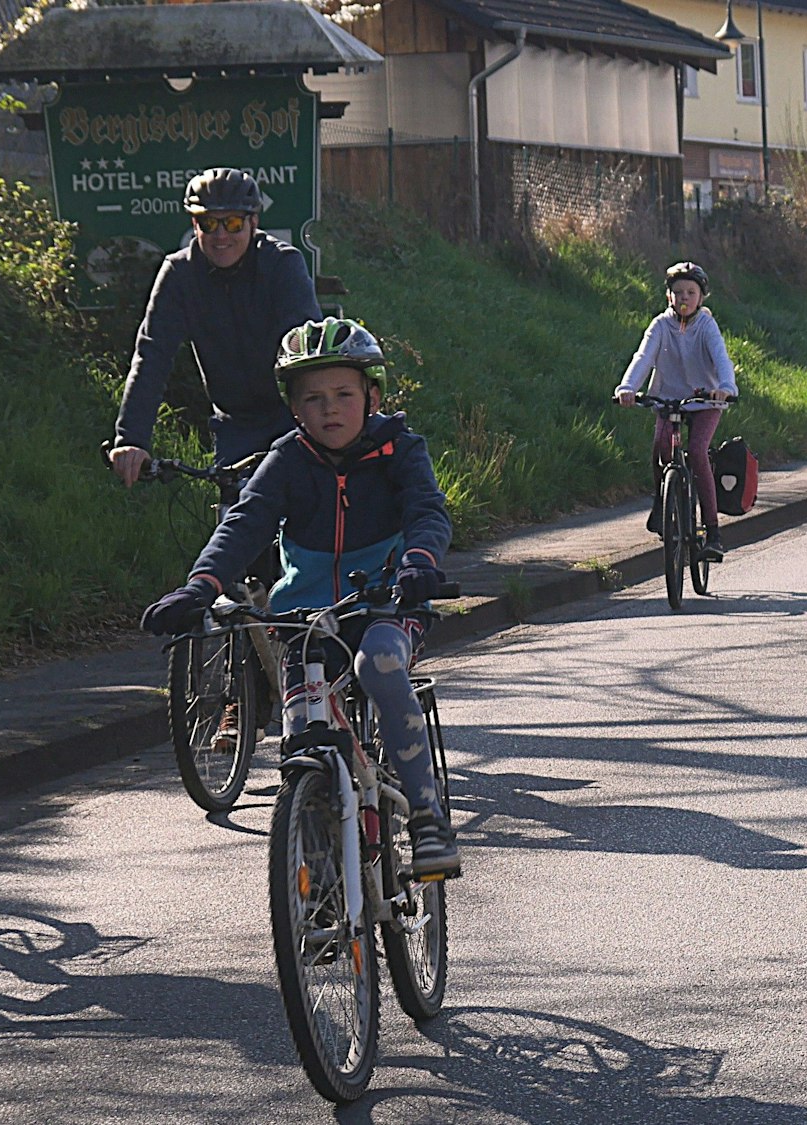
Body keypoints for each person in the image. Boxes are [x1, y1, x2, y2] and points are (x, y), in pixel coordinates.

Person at [140, 318, 461, 877]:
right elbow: (244, 524)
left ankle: (428, 817)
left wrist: (419, 563)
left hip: (387, 602)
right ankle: (315, 886)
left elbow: (427, 512)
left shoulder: (400, 449)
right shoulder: (287, 459)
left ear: (373, 397)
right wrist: (201, 586)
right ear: (293, 409)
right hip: (305, 619)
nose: (329, 409)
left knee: (380, 665)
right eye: (312, 399)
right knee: (302, 742)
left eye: (343, 394)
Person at [110, 168, 323, 487]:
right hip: (235, 424)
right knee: (233, 521)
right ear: (195, 225)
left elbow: (307, 350)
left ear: (254, 222)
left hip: (291, 415)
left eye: (233, 223)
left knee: (306, 513)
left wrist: (316, 421)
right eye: (209, 223)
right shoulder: (180, 274)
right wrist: (130, 439)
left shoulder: (281, 265)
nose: (220, 235)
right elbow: (151, 357)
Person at [616, 262, 738, 561]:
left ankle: (713, 532)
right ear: (669, 296)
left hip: (705, 400)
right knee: (661, 447)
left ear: (701, 297)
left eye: (691, 292)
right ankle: (661, 502)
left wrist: (725, 386)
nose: (684, 297)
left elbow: (721, 358)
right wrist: (627, 387)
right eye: (678, 292)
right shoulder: (660, 325)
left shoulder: (707, 326)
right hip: (668, 399)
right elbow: (643, 357)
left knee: (697, 451)